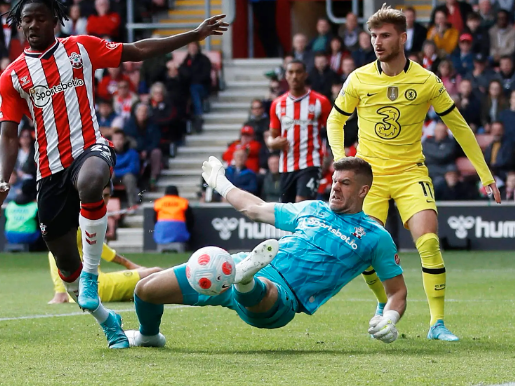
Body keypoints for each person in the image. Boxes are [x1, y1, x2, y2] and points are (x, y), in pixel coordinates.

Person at [0, 0, 228, 348]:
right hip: (48, 169)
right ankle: (107, 318)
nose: (32, 24)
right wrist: (4, 180)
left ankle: (93, 275)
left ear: (55, 21)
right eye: (26, 20)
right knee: (65, 265)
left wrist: (194, 34)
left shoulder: (80, 48)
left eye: (40, 18)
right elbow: (8, 134)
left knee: (92, 180)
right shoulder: (13, 76)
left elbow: (139, 51)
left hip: (90, 148)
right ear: (18, 26)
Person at [327, 6, 500, 342]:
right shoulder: (359, 78)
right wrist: (341, 161)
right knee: (363, 250)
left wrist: (485, 175)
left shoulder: (425, 80)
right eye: (374, 36)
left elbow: (459, 127)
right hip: (368, 177)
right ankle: (384, 303)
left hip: (410, 172)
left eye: (385, 35)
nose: (377, 42)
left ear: (403, 38)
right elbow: (336, 120)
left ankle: (437, 324)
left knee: (429, 242)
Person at [125, 156, 407, 348]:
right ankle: (149, 336)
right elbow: (256, 209)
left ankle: (247, 279)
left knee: (264, 290)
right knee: (145, 289)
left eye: (345, 183)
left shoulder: (375, 237)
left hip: (283, 298)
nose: (335, 187)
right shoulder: (313, 208)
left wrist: (390, 318)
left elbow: (397, 292)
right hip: (231, 267)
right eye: (334, 180)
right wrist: (221, 183)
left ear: (363, 190)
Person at [49, 184, 162, 304]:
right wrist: (59, 291)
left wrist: (129, 265)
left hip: (85, 290)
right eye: (99, 195)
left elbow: (99, 247)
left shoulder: (86, 217)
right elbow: (55, 251)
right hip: (97, 287)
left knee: (146, 288)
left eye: (106, 195)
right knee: (156, 272)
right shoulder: (78, 220)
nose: (102, 200)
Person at [267, 60, 332, 202]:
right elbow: (272, 136)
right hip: (286, 165)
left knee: (302, 205)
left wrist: (331, 157)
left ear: (305, 75)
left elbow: (333, 130)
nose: (294, 76)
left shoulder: (320, 101)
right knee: (287, 213)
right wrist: (272, 144)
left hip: (311, 163)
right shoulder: (277, 104)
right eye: (291, 72)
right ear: (286, 76)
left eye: (298, 72)